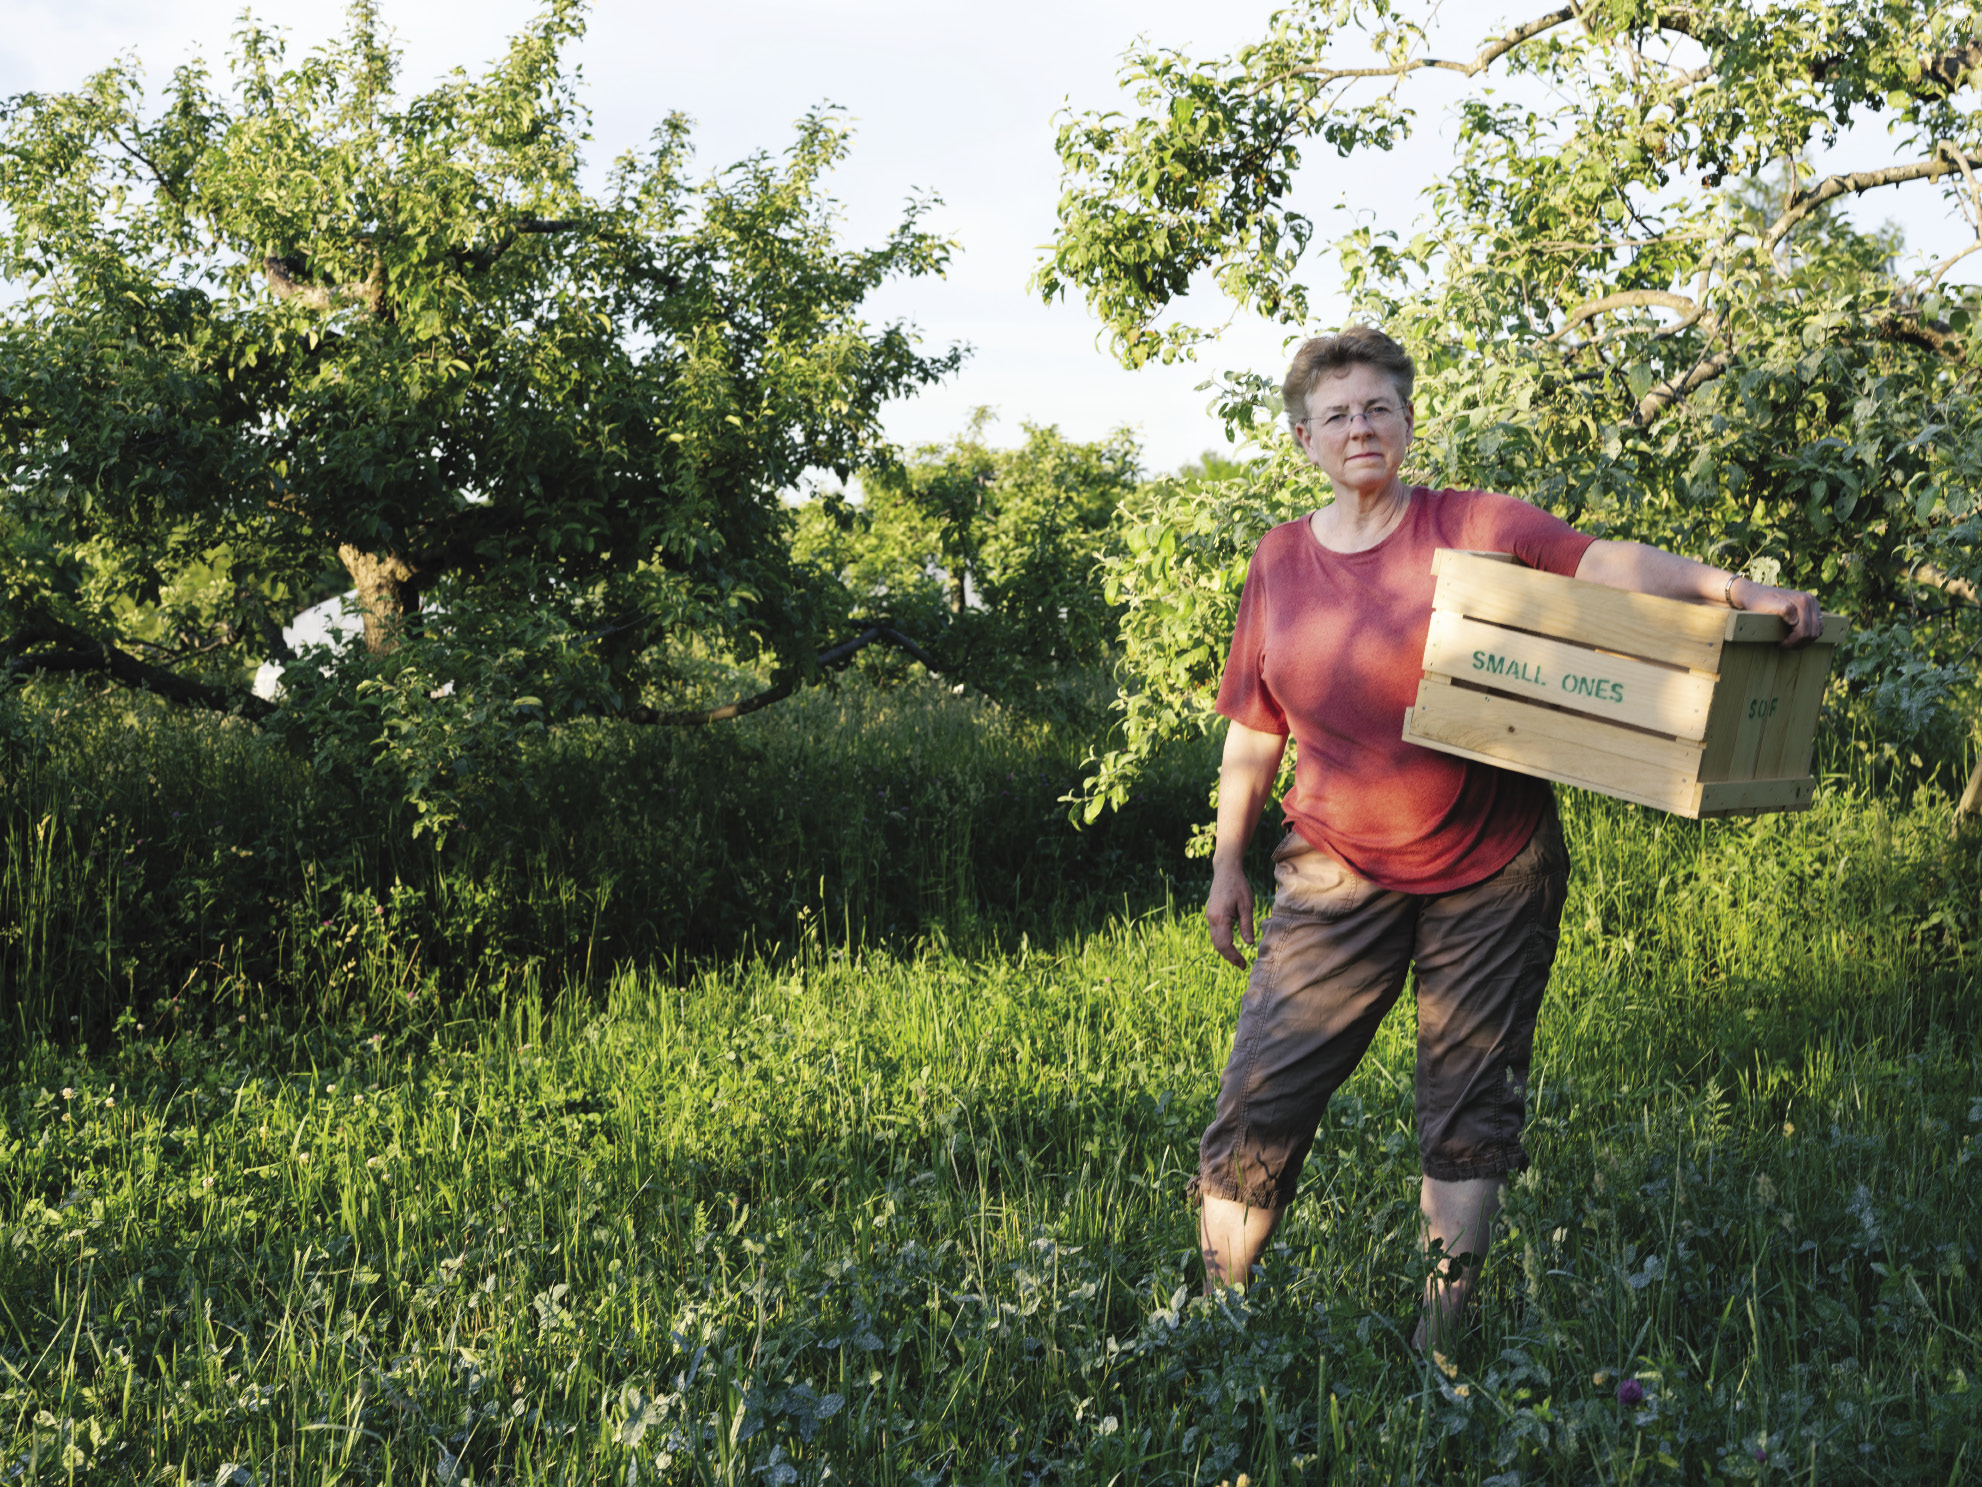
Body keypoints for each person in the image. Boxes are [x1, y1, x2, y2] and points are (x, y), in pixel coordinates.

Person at [1194, 326, 1820, 1350]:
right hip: (1334, 865)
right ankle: (1217, 1330)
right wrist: (1225, 863)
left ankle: (1438, 1345)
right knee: (1264, 1089)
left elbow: (1598, 561)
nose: (1361, 427)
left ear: (1405, 421)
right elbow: (1253, 726)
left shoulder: (1468, 523)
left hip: (1490, 865)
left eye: (1379, 407)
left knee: (1466, 1099)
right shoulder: (1279, 558)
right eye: (1338, 413)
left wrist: (1733, 590)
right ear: (1302, 437)